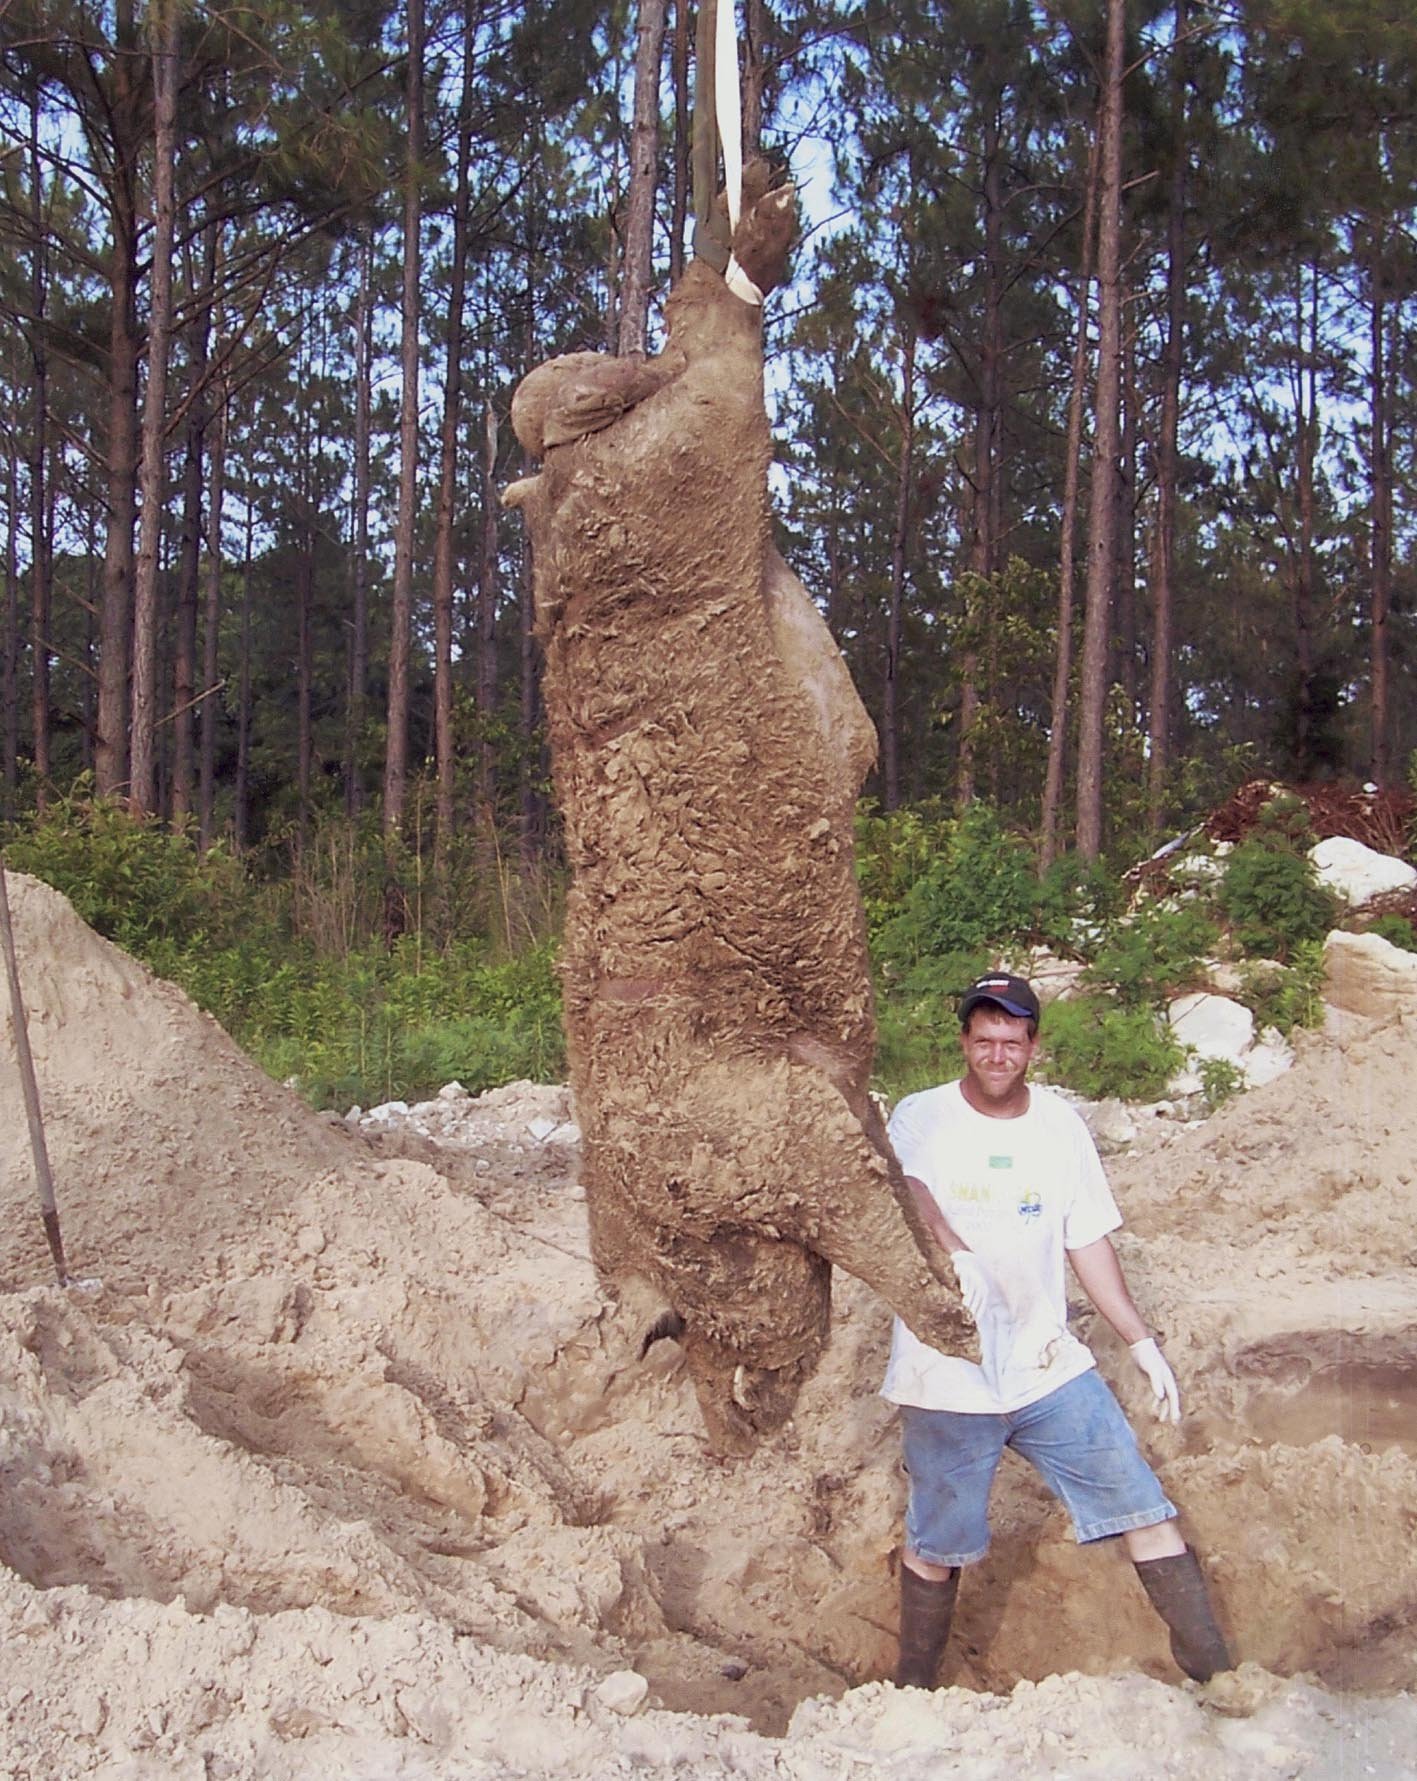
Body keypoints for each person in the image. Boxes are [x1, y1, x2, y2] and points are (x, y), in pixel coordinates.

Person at [883, 971, 1232, 1690]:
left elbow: (1088, 1240)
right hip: (945, 1370)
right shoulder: (921, 1115)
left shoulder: (1060, 1127)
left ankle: (1219, 1676)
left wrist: (1138, 1339)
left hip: (1046, 1362)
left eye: (1012, 1041)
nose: (998, 1054)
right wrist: (954, 1251)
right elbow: (907, 1190)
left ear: (1032, 1046)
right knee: (937, 1544)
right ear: (964, 1043)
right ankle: (909, 1691)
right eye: (985, 1040)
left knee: (1144, 1505)